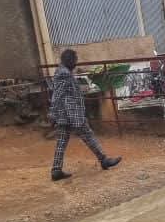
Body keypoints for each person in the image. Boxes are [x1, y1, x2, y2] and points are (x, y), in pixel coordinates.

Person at [49, 49, 121, 182]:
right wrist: (53, 113)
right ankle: (104, 160)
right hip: (72, 114)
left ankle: (56, 170)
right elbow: (57, 95)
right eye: (75, 60)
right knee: (88, 135)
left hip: (65, 115)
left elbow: (61, 94)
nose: (76, 63)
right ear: (70, 60)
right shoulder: (64, 74)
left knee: (62, 142)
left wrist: (54, 113)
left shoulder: (62, 72)